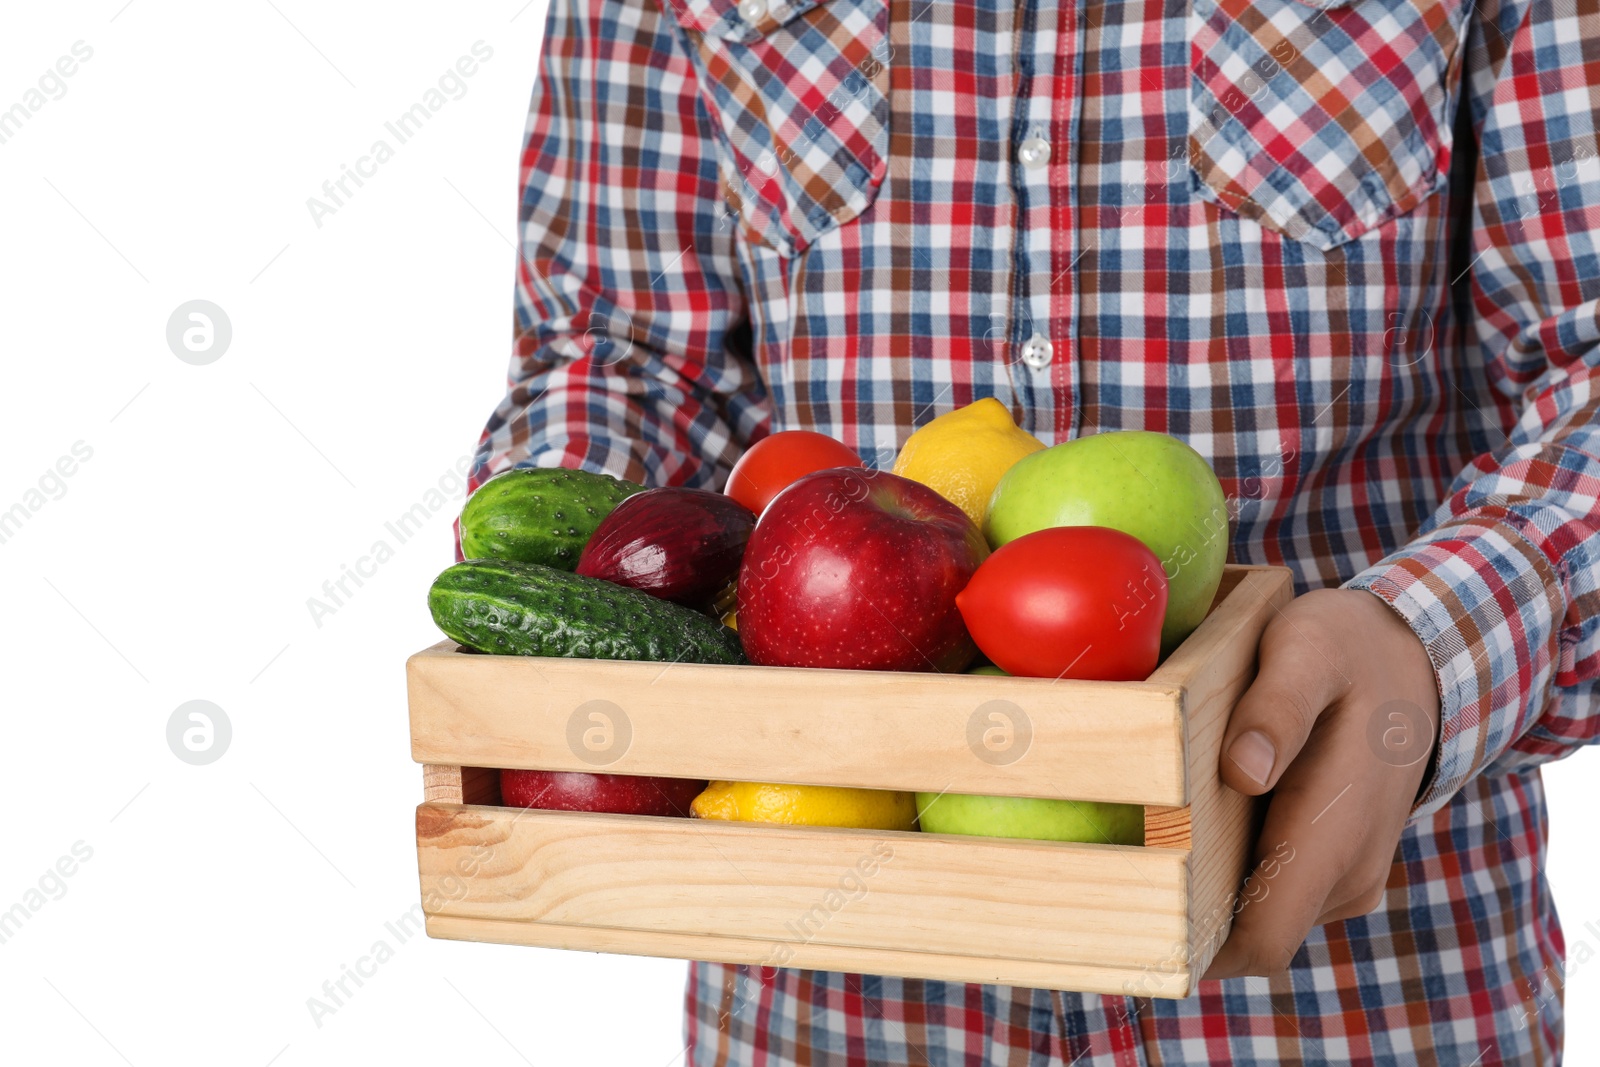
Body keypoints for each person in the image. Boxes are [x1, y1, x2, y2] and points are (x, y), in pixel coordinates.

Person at [466, 0, 1600, 1061]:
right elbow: (620, 355)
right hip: (819, 982)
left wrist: (1434, 646)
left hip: (1359, 981)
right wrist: (569, 572)